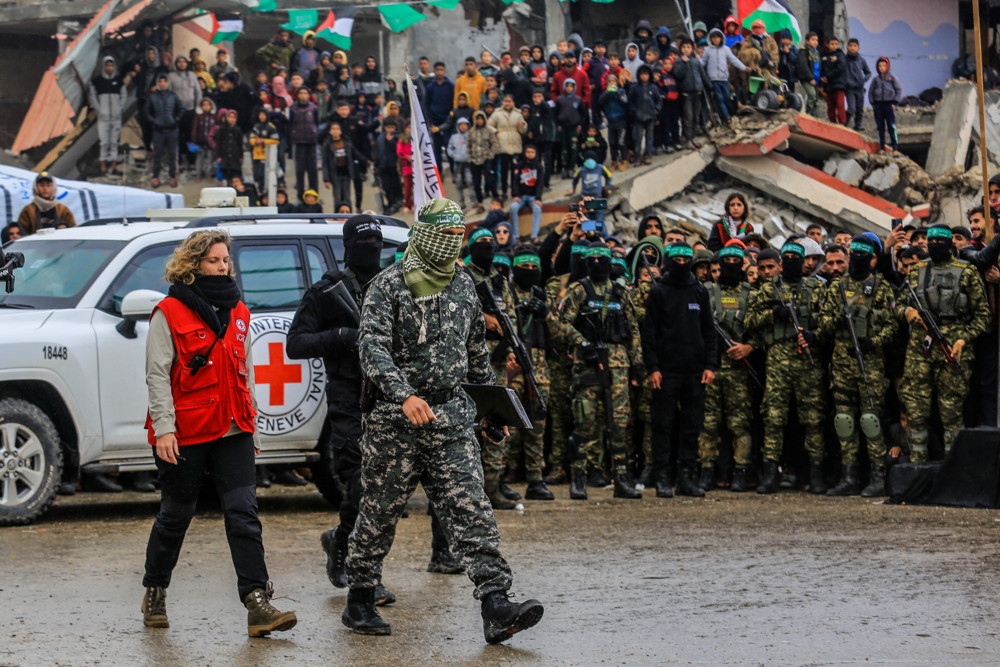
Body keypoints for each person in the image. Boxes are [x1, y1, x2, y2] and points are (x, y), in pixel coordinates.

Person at [342, 198, 544, 643]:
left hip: (451, 417)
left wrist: (493, 411)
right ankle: (359, 598)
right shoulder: (388, 285)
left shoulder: (463, 284)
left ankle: (496, 603)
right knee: (379, 511)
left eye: (460, 237)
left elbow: (475, 356)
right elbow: (371, 349)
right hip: (396, 421)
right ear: (428, 234)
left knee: (472, 508)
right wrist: (404, 395)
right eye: (448, 236)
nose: (455, 244)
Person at [141, 230, 296, 636]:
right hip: (187, 430)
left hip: (234, 427)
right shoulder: (169, 312)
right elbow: (157, 376)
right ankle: (155, 589)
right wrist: (164, 429)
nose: (223, 267)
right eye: (214, 261)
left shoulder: (240, 311)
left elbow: (245, 375)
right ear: (193, 265)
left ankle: (257, 602)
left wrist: (254, 428)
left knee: (244, 515)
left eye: (226, 260)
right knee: (176, 515)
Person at [553, 240, 643, 500]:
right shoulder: (579, 290)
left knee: (619, 424)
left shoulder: (620, 292)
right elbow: (561, 323)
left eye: (603, 260)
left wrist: (637, 364)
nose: (598, 265)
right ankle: (578, 479)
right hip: (588, 363)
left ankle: (621, 480)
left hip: (617, 364)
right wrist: (582, 342)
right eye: (592, 260)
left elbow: (633, 329)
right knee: (584, 422)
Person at [898, 224, 990, 461]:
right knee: (916, 411)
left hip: (953, 351)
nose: (934, 246)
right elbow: (896, 302)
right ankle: (917, 466)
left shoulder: (967, 272)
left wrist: (962, 339)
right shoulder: (917, 271)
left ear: (950, 244)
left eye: (940, 242)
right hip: (921, 350)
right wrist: (907, 312)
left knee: (951, 414)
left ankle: (953, 470)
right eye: (931, 241)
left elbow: (983, 316)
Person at [816, 235, 896, 496]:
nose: (858, 260)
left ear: (870, 259)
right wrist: (836, 322)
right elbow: (823, 325)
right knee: (843, 420)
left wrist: (873, 342)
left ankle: (877, 477)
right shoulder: (837, 287)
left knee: (871, 421)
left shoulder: (881, 288)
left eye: (864, 255)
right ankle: (848, 476)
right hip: (841, 363)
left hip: (870, 364)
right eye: (855, 255)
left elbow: (893, 326)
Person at [746, 242, 827, 494]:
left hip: (807, 358)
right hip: (778, 359)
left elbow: (828, 320)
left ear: (805, 261)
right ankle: (770, 473)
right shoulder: (768, 288)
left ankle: (815, 473)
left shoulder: (816, 288)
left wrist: (815, 334)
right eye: (788, 256)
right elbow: (749, 320)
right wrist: (773, 314)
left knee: (813, 418)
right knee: (774, 418)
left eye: (796, 257)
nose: (792, 260)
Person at [642, 242, 717, 498]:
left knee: (691, 427)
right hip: (665, 371)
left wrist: (710, 365)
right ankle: (663, 477)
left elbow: (709, 330)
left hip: (695, 372)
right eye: (678, 259)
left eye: (687, 259)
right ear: (669, 261)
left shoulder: (699, 291)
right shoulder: (659, 291)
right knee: (663, 426)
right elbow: (649, 332)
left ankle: (686, 477)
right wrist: (652, 367)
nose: (682, 263)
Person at [88, 56, 128, 176]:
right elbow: (92, 96)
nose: (109, 68)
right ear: (104, 66)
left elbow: (124, 95)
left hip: (116, 118)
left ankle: (113, 167)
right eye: (107, 65)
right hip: (103, 118)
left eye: (111, 65)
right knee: (104, 143)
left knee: (114, 143)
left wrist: (120, 108)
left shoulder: (119, 81)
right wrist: (99, 110)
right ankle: (103, 168)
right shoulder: (97, 81)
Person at [702, 29, 746, 125]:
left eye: (717, 37)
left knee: (727, 98)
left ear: (721, 38)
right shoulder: (708, 50)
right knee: (720, 99)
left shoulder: (726, 49)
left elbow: (733, 60)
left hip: (724, 79)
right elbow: (703, 63)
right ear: (710, 39)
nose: (716, 39)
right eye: (713, 37)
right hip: (714, 79)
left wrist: (744, 67)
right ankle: (727, 117)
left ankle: (731, 114)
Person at [146, 74, 183, 188]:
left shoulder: (173, 95)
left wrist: (176, 120)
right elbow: (146, 111)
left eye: (164, 81)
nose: (162, 83)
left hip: (172, 130)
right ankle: (155, 177)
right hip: (158, 130)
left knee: (173, 155)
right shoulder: (152, 96)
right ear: (158, 83)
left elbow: (181, 109)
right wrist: (153, 121)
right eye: (160, 81)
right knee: (156, 155)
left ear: (167, 83)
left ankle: (173, 177)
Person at [488, 95, 527, 201]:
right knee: (504, 171)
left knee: (515, 171)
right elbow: (489, 125)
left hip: (515, 144)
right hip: (502, 145)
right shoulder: (497, 114)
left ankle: (515, 191)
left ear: (513, 103)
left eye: (509, 101)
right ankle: (504, 191)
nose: (507, 103)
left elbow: (523, 129)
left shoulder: (518, 114)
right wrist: (496, 133)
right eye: (505, 101)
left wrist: (522, 126)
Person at [288, 87, 320, 201]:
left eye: (305, 93)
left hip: (311, 142)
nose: (303, 95)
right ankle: (300, 196)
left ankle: (314, 195)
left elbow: (316, 122)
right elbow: (290, 124)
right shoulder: (292, 109)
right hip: (299, 141)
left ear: (309, 95)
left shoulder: (314, 108)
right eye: (300, 93)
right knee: (300, 171)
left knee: (313, 171)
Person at [510, 144, 545, 240]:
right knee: (513, 208)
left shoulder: (539, 167)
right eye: (528, 152)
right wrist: (515, 195)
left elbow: (540, 183)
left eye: (532, 152)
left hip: (533, 197)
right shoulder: (519, 165)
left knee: (537, 208)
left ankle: (534, 235)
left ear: (535, 153)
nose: (530, 154)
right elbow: (515, 181)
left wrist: (538, 198)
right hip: (521, 196)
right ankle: (516, 235)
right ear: (525, 153)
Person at [869, 57, 903, 154]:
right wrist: (873, 103)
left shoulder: (892, 78)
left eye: (884, 65)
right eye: (880, 66)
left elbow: (898, 90)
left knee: (891, 127)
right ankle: (882, 148)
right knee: (880, 127)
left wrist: (894, 103)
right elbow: (870, 92)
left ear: (887, 66)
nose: (882, 68)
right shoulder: (875, 80)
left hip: (889, 105)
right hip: (878, 106)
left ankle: (895, 148)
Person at [843, 38, 871, 132]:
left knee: (860, 109)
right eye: (850, 46)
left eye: (855, 46)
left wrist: (864, 80)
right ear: (847, 47)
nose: (852, 48)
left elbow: (868, 72)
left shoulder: (861, 60)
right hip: (849, 88)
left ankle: (857, 127)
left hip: (860, 88)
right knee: (851, 109)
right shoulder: (844, 60)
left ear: (858, 48)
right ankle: (844, 124)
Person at [821, 37, 847, 125]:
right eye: (832, 44)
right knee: (830, 106)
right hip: (828, 85)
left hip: (839, 84)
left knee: (840, 104)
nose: (834, 46)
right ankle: (833, 123)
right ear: (827, 45)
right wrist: (822, 79)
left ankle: (842, 123)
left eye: (836, 44)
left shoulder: (840, 55)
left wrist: (828, 76)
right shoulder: (824, 56)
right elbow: (822, 70)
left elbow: (841, 68)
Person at [796, 32, 822, 116]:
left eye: (816, 40)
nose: (815, 42)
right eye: (813, 40)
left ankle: (813, 113)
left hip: (817, 78)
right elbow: (803, 66)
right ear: (807, 41)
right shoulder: (803, 51)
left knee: (815, 98)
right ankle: (808, 112)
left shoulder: (816, 52)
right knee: (812, 94)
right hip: (807, 79)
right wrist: (810, 78)